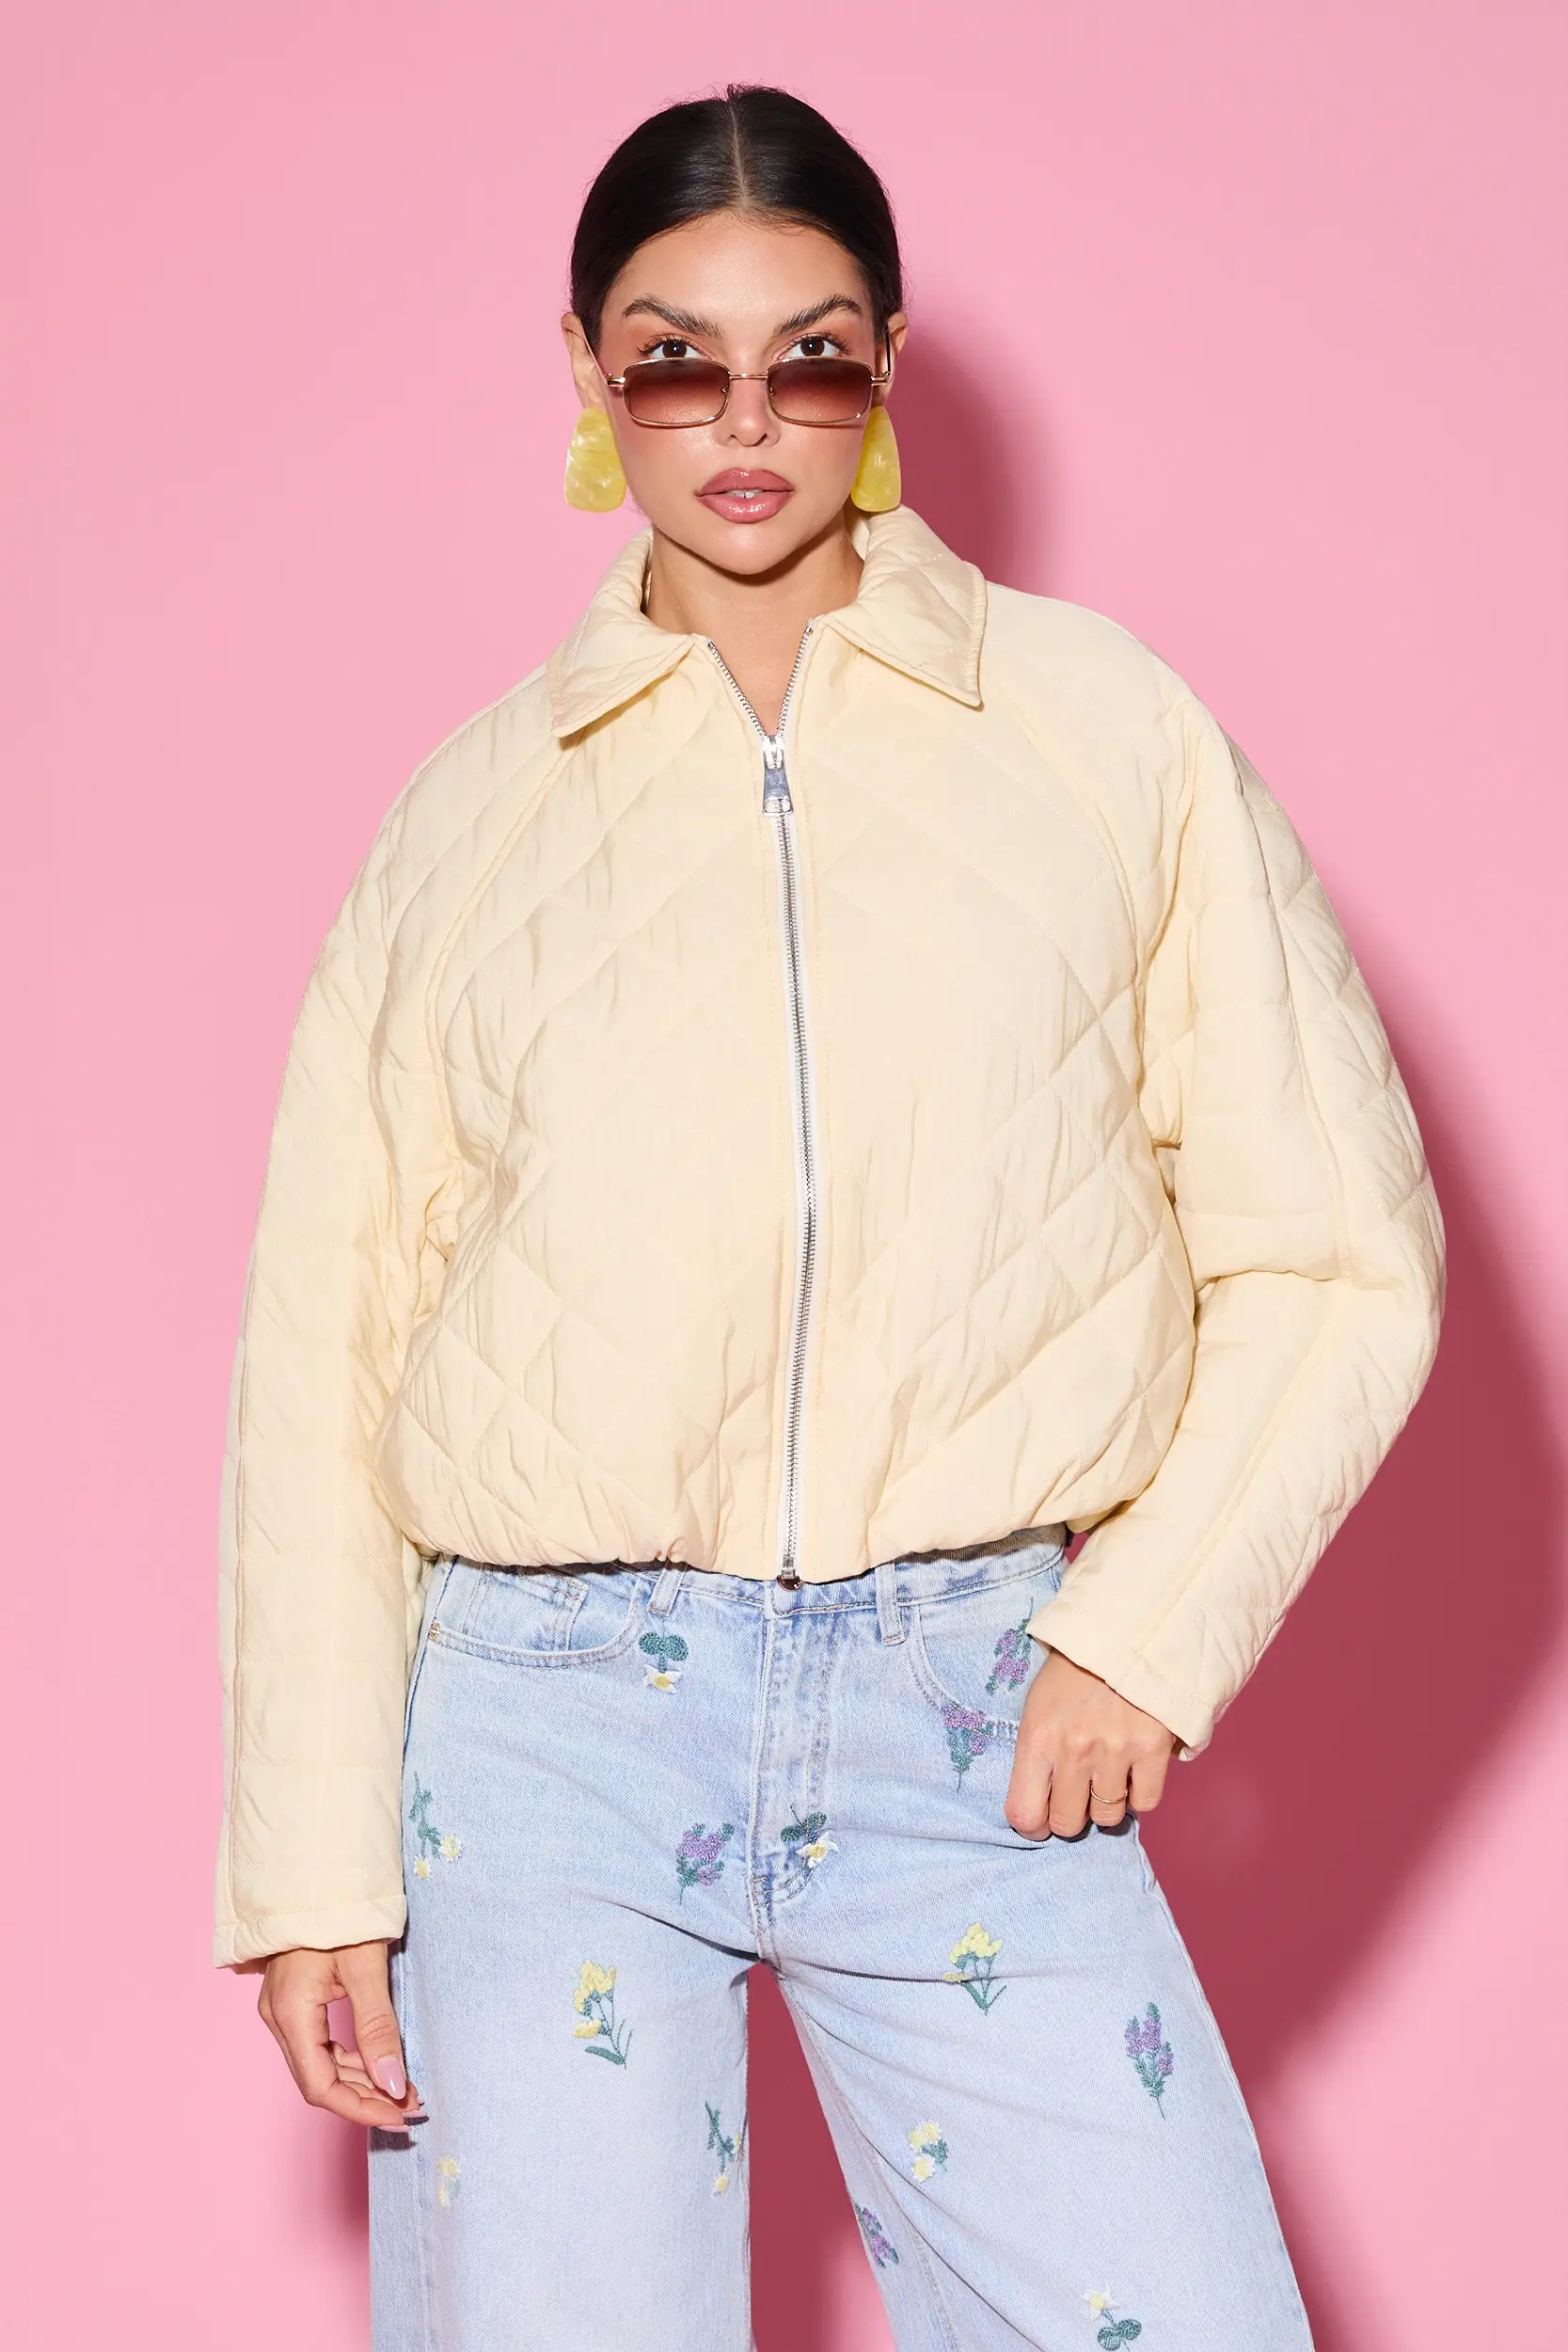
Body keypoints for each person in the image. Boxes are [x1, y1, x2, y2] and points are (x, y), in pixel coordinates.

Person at [214, 84, 1444, 2352]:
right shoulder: (468, 824)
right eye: (672, 360)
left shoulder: (1099, 731)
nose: (743, 421)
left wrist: (1139, 1631)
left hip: (969, 1696)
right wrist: (312, 1868)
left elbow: (1337, 1245)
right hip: (543, 1728)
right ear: (586, 370)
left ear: (885, 365)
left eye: (811, 357)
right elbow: (322, 1371)